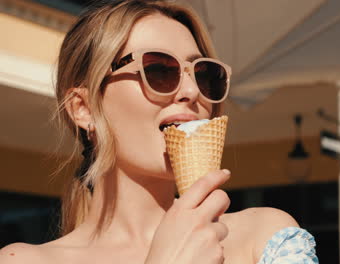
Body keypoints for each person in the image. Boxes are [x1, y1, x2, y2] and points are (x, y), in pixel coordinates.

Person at [0, 1, 318, 263]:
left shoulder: (263, 237)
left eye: (205, 74)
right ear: (83, 108)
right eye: (159, 70)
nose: (192, 91)